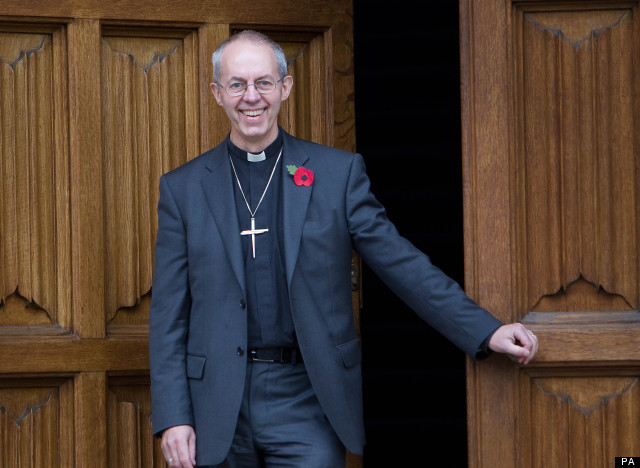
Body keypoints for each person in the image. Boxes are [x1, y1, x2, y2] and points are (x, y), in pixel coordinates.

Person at [149, 30, 538, 468]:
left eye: (264, 82)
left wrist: (485, 330)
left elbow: (401, 264)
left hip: (305, 396)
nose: (251, 97)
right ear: (217, 93)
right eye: (237, 84)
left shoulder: (336, 174)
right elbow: (168, 315)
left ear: (285, 87)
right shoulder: (183, 189)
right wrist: (173, 416)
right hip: (216, 404)